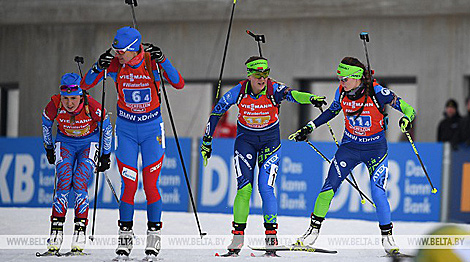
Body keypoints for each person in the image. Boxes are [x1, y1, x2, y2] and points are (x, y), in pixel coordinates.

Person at [288, 57, 416, 256]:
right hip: (349, 148)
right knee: (328, 186)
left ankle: (388, 240)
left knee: (378, 192)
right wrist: (309, 127)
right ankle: (310, 234)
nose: (341, 83)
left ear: (357, 78)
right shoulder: (341, 92)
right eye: (339, 78)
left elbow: (408, 108)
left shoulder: (377, 92)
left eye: (344, 79)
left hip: (376, 151)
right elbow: (331, 111)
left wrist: (407, 118)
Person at [200, 56, 327, 257]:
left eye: (266, 74)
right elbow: (216, 112)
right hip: (245, 142)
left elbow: (293, 94)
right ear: (249, 75)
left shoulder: (274, 89)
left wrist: (311, 98)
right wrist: (207, 140)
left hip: (270, 142)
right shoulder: (239, 91)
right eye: (258, 75)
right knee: (244, 189)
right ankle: (237, 239)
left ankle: (271, 238)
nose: (263, 79)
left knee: (266, 188)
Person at [80, 26, 184, 258]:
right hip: (126, 131)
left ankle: (153, 236)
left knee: (150, 185)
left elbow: (178, 83)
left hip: (151, 132)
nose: (117, 55)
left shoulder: (150, 62)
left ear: (134, 48)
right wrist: (99, 65)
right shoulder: (116, 64)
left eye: (121, 51)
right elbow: (85, 85)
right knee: (128, 184)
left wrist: (163, 60)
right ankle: (125, 237)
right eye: (115, 50)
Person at [41, 73, 112, 255]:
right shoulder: (54, 104)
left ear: (81, 96)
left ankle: (79, 234)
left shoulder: (92, 106)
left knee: (80, 183)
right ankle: (56, 233)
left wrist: (105, 155)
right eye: (65, 98)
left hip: (88, 143)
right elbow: (46, 124)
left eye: (73, 98)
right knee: (63, 183)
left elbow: (107, 128)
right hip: (65, 143)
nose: (69, 103)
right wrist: (49, 148)